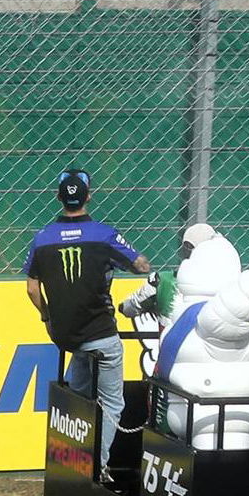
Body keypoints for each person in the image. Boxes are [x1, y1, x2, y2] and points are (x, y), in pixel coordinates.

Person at [22, 170, 153, 479]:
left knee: (78, 397)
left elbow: (31, 288)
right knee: (111, 403)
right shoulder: (103, 234)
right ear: (88, 196)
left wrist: (47, 316)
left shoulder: (42, 238)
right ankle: (97, 465)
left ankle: (70, 462)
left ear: (58, 198)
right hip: (99, 332)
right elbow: (140, 266)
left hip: (65, 335)